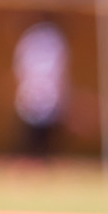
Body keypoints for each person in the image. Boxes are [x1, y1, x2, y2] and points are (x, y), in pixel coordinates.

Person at [13, 16, 69, 160]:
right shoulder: (55, 41)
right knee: (37, 147)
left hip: (38, 100)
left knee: (38, 146)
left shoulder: (30, 39)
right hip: (39, 100)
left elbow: (20, 69)